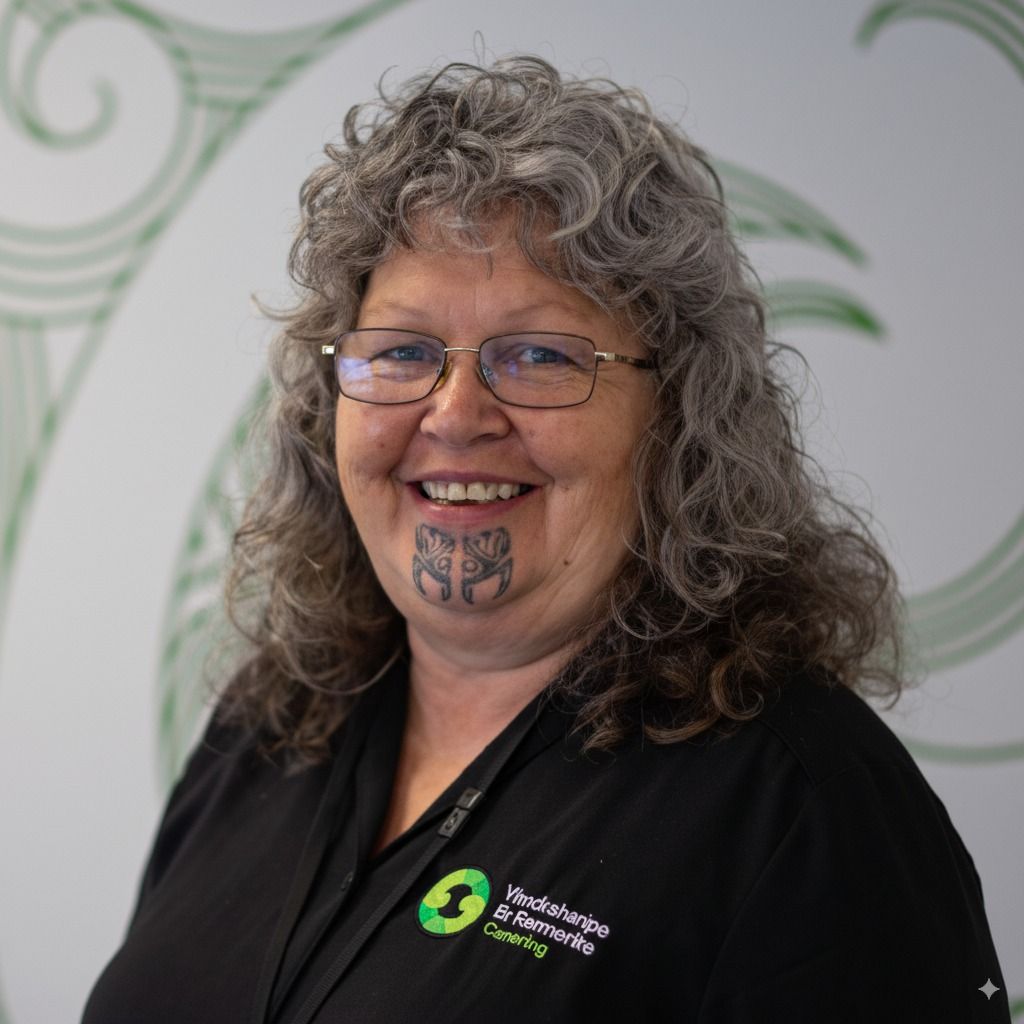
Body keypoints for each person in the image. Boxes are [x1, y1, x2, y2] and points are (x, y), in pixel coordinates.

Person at [83, 56, 1009, 1023]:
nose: (455, 412)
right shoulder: (271, 724)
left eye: (538, 356)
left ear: (679, 418)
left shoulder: (801, 816)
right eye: (402, 350)